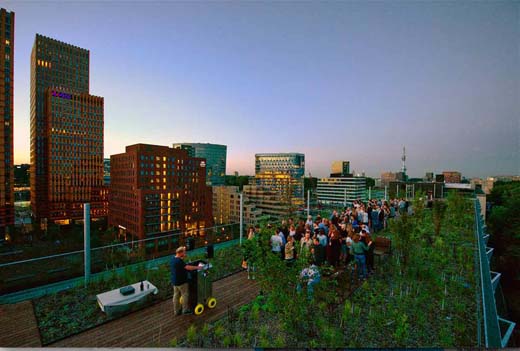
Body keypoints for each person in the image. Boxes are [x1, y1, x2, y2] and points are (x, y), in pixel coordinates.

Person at [171, 246, 203, 316]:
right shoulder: (179, 261)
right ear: (180, 253)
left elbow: (180, 265)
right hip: (181, 282)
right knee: (185, 295)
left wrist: (183, 257)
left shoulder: (173, 259)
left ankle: (176, 311)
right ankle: (185, 310)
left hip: (175, 281)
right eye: (184, 252)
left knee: (176, 296)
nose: (185, 253)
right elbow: (188, 268)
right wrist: (198, 267)